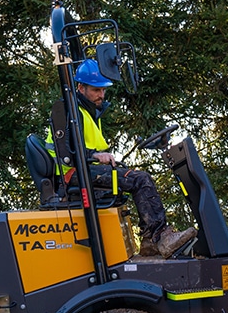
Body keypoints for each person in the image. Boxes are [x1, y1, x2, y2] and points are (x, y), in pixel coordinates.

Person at [46, 59, 196, 258]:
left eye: (103, 90)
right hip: (72, 175)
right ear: (81, 88)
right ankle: (161, 237)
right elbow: (66, 152)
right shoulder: (68, 111)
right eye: (96, 90)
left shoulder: (85, 111)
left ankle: (150, 241)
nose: (101, 95)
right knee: (140, 179)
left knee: (135, 177)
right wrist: (94, 155)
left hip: (83, 170)